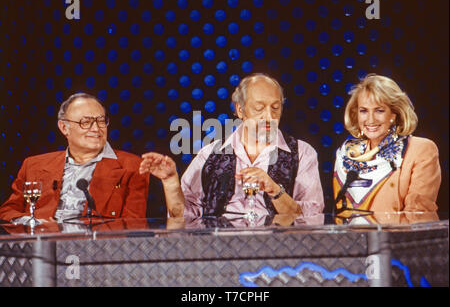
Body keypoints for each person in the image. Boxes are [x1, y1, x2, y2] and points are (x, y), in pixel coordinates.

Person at [140, 73, 324, 219]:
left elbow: (313, 217)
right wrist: (171, 182)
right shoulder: (210, 154)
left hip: (277, 252)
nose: (269, 116)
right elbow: (184, 216)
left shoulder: (302, 153)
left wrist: (275, 190)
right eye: (259, 108)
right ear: (240, 110)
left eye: (275, 108)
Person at [0, 93, 149, 223]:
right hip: (40, 247)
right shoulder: (33, 165)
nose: (96, 129)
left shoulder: (132, 166)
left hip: (95, 248)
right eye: (86, 122)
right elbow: (7, 212)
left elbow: (132, 225)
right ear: (64, 128)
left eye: (101, 121)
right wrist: (35, 224)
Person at [333, 74, 441, 216]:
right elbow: (340, 213)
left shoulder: (421, 150)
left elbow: (418, 215)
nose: (370, 120)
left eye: (379, 110)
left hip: (396, 237)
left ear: (394, 114)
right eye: (364, 111)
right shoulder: (346, 153)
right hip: (352, 237)